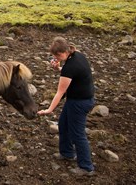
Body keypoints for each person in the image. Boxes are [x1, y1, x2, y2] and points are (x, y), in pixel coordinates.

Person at [38, 37, 95, 176]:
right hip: (76, 99)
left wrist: (49, 109)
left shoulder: (70, 67)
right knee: (63, 125)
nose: (54, 58)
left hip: (80, 103)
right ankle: (67, 153)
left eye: (56, 56)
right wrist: (58, 67)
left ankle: (86, 167)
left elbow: (60, 92)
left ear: (63, 52)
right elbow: (72, 74)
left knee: (78, 134)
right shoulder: (76, 55)